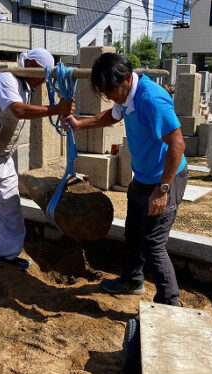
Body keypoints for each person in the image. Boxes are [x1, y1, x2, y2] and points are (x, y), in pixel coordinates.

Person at [64, 53, 187, 306]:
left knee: (153, 244)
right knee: (132, 234)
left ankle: (170, 302)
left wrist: (163, 190)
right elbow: (112, 115)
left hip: (166, 179)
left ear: (128, 79)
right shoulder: (125, 96)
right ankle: (132, 280)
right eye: (105, 92)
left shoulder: (151, 99)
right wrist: (80, 124)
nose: (110, 96)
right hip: (142, 178)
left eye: (112, 90)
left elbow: (177, 145)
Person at [0, 48, 75, 269]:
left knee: (9, 204)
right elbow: (18, 110)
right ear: (30, 64)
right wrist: (56, 109)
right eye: (42, 74)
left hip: (2, 154)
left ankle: (6, 254)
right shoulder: (5, 79)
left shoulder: (24, 86)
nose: (44, 81)